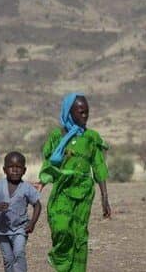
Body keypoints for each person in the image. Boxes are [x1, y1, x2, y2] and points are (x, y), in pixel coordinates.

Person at [34, 93, 111, 272]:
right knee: (61, 228)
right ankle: (61, 262)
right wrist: (42, 181)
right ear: (70, 112)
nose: (85, 116)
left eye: (87, 113)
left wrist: (105, 197)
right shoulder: (57, 136)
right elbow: (49, 162)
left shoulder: (92, 137)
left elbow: (99, 167)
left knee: (79, 236)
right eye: (81, 112)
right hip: (62, 188)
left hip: (84, 191)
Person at [0, 151, 42, 272]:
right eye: (11, 167)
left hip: (20, 228)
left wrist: (32, 223)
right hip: (2, 229)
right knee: (8, 259)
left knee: (19, 252)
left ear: (24, 170)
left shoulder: (26, 187)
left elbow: (37, 205)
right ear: (4, 170)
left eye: (18, 167)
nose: (15, 170)